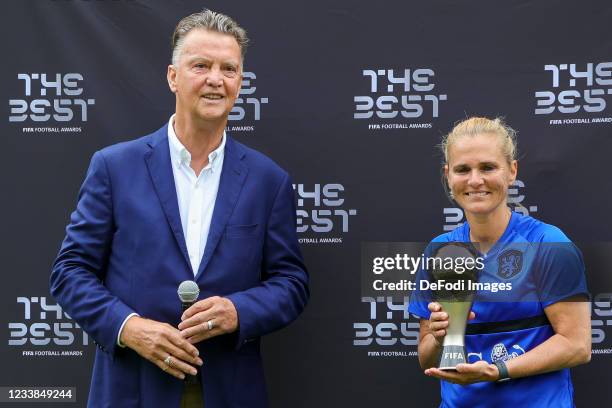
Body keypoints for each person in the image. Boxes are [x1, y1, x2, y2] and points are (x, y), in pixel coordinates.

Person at [50, 9, 309, 408]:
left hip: (230, 391)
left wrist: (238, 310)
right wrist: (129, 328)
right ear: (173, 76)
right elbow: (70, 273)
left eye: (229, 68)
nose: (215, 80)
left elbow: (291, 282)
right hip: (132, 390)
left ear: (240, 82)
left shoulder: (268, 180)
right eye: (200, 65)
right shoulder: (114, 167)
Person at [408, 117, 591, 407]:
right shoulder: (441, 250)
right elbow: (427, 358)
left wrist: (497, 371)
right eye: (462, 169)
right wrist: (441, 337)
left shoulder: (548, 243)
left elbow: (577, 346)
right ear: (448, 175)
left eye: (488, 167)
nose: (475, 180)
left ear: (511, 171)